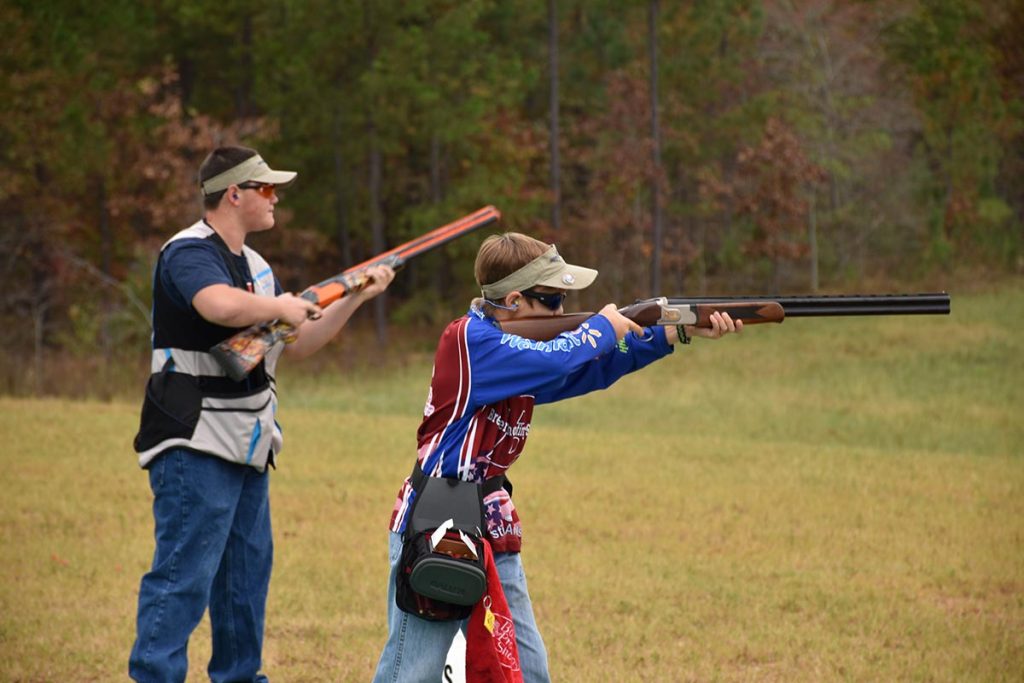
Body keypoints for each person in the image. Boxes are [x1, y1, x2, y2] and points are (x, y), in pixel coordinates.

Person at [372, 232, 740, 682]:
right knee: (414, 672)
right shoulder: (470, 339)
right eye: (551, 300)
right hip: (438, 521)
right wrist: (602, 327)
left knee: (527, 670)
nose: (562, 313)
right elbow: (559, 360)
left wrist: (671, 332)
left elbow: (588, 368)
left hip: (491, 521)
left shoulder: (524, 352)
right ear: (512, 299)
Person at [129, 145, 395, 683]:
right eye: (267, 189)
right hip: (193, 440)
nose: (276, 199)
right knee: (183, 578)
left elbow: (295, 346)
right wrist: (282, 306)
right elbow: (217, 306)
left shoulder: (258, 268)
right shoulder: (188, 253)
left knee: (243, 585)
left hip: (248, 443)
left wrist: (355, 296)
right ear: (234, 194)